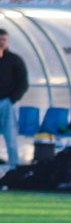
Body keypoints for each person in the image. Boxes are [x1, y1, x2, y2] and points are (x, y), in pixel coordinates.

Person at [0, 27, 27, 173]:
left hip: (7, 103)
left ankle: (13, 166)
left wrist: (11, 100)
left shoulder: (14, 60)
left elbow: (23, 83)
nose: (1, 42)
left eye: (3, 40)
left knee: (10, 134)